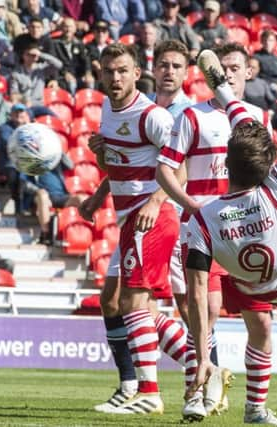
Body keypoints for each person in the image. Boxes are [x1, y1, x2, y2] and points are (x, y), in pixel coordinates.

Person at [185, 30, 277, 426]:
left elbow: (198, 295)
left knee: (259, 331)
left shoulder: (202, 219)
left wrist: (202, 360)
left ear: (225, 166)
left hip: (247, 285)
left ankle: (255, 410)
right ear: (270, 166)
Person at [156, 42, 273, 420]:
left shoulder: (257, 118)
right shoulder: (192, 117)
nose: (225, 75)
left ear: (248, 72)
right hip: (205, 231)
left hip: (246, 232)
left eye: (234, 68)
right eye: (219, 68)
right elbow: (165, 170)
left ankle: (256, 408)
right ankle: (197, 393)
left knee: (261, 321)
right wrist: (190, 206)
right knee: (203, 312)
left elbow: (267, 178)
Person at [79, 40, 194, 415]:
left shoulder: (153, 116)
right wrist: (99, 168)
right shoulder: (109, 114)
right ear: (100, 73)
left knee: (132, 302)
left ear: (136, 74)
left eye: (122, 71)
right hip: (129, 218)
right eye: (109, 71)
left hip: (152, 217)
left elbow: (181, 166)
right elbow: (121, 163)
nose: (115, 78)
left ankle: (148, 392)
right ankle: (199, 364)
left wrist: (156, 202)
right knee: (127, 304)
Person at [21, 153, 87, 245]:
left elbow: (71, 166)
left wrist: (59, 151)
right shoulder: (30, 161)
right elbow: (24, 183)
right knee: (43, 195)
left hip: (61, 196)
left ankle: (81, 232)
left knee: (82, 199)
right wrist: (38, 190)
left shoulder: (55, 159)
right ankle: (45, 233)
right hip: (41, 197)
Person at [0, 103, 32, 211]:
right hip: (10, 162)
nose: (19, 114)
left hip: (28, 161)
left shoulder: (32, 127)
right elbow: (8, 143)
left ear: (26, 114)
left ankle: (27, 205)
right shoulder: (5, 127)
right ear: (11, 115)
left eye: (21, 112)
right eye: (16, 112)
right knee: (14, 171)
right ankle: (18, 200)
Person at [53, 17, 94, 94]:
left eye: (71, 26)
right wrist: (65, 73)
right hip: (62, 76)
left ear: (75, 29)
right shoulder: (54, 43)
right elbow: (54, 62)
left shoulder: (79, 43)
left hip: (77, 75)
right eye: (66, 26)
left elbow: (86, 59)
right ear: (61, 28)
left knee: (90, 82)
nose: (68, 29)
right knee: (72, 84)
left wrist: (88, 73)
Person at [253, 30, 277, 94]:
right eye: (265, 40)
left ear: (274, 42)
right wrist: (271, 86)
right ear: (262, 42)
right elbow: (255, 77)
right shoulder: (256, 57)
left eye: (271, 40)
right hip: (263, 89)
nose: (268, 43)